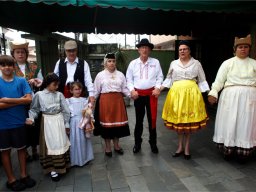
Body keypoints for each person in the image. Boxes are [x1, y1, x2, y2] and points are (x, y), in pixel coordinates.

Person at [208, 34, 256, 163]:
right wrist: (214, 92)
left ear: (249, 49)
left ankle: (244, 152)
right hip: (230, 98)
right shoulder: (227, 63)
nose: (243, 49)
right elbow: (219, 81)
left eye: (246, 47)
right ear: (235, 49)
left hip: (249, 99)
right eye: (240, 47)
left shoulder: (254, 64)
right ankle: (228, 150)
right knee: (230, 122)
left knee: (246, 124)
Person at [162, 40, 209, 160]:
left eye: (185, 49)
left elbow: (202, 80)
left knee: (187, 122)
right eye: (180, 49)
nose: (182, 51)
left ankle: (186, 148)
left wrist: (210, 94)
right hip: (176, 96)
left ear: (189, 51)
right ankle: (179, 147)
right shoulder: (173, 63)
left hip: (191, 96)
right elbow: (168, 79)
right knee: (179, 122)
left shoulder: (196, 63)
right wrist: (159, 89)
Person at [0, 55, 36, 191]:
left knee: (22, 149)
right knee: (5, 152)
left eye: (9, 65)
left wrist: (6, 99)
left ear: (14, 66)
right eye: (3, 65)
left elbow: (29, 100)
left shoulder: (21, 81)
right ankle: (11, 179)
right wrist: (19, 100)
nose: (6, 67)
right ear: (0, 67)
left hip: (19, 122)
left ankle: (23, 175)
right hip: (2, 124)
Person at [26, 73, 71, 182]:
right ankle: (52, 169)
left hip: (59, 121)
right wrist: (31, 118)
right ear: (47, 84)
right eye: (54, 84)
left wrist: (66, 124)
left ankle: (62, 165)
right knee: (49, 145)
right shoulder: (39, 95)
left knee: (60, 142)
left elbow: (66, 110)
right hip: (47, 122)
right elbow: (34, 109)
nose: (56, 87)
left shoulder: (59, 94)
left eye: (57, 85)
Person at [126, 39, 163, 154]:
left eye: (147, 47)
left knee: (152, 120)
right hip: (138, 96)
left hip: (152, 95)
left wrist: (157, 88)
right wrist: (132, 90)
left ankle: (153, 143)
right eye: (142, 47)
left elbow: (160, 77)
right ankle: (137, 143)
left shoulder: (155, 62)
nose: (144, 49)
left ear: (150, 50)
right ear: (138, 50)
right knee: (138, 121)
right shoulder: (133, 63)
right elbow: (129, 79)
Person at [10, 40, 43, 162]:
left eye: (22, 52)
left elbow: (42, 81)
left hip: (32, 101)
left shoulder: (34, 66)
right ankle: (26, 152)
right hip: (18, 101)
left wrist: (36, 81)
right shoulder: (10, 67)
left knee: (34, 125)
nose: (20, 55)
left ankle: (35, 150)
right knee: (22, 126)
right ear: (13, 54)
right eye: (17, 52)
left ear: (26, 53)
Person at [94, 53, 130, 157]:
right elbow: (96, 91)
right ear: (105, 63)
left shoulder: (120, 75)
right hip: (105, 102)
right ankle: (108, 147)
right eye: (109, 61)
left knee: (117, 125)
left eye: (113, 61)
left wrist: (132, 95)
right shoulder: (100, 75)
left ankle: (117, 146)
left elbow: (124, 89)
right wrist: (91, 102)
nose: (112, 63)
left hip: (118, 102)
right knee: (107, 126)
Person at [66, 82, 94, 166]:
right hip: (74, 123)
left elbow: (87, 111)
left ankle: (85, 158)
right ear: (71, 91)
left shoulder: (84, 100)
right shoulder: (68, 101)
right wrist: (67, 125)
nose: (78, 91)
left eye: (79, 89)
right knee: (75, 140)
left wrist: (89, 113)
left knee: (84, 140)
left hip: (83, 122)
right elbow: (67, 113)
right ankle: (76, 160)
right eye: (76, 89)